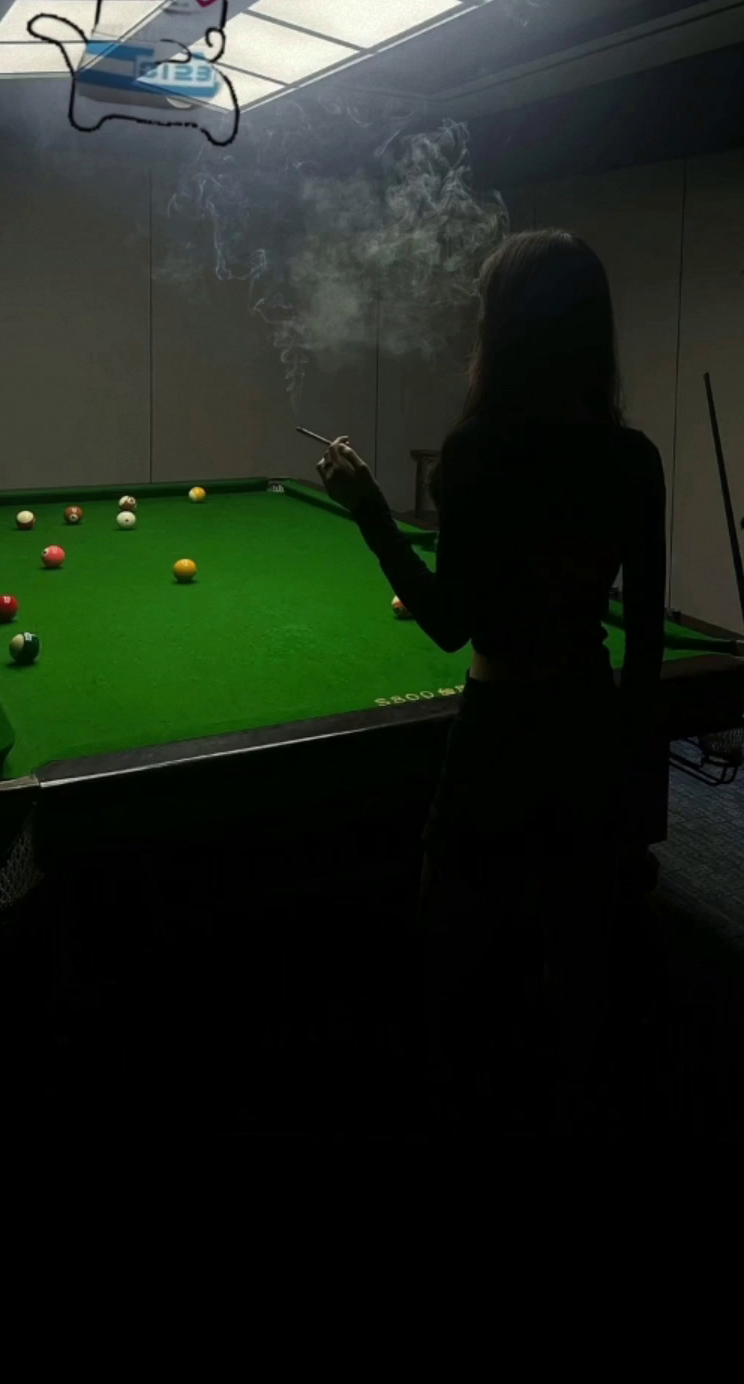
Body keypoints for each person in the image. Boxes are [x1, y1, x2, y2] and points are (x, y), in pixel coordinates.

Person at [316, 229, 667, 1129]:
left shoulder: (477, 451)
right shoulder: (635, 458)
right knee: (580, 957)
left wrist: (367, 509)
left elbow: (446, 625)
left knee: (451, 959)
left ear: (505, 330)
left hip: (501, 727)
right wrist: (632, 776)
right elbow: (646, 645)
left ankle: (455, 1100)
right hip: (588, 716)